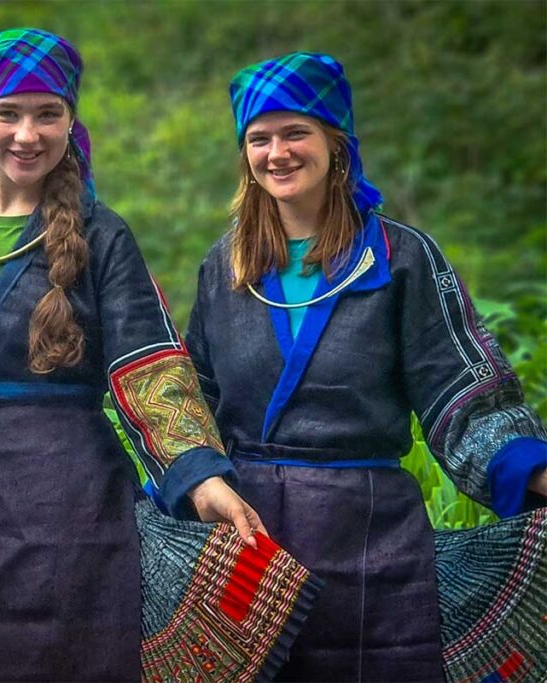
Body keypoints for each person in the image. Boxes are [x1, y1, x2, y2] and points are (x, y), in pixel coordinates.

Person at [0, 28, 268, 682]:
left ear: (71, 121)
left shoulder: (103, 233)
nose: (28, 132)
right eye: (8, 113)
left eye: (48, 113)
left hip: (72, 499)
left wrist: (199, 473)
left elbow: (149, 364)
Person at [185, 51, 547, 682]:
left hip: (370, 539)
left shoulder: (399, 257)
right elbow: (196, 402)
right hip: (250, 551)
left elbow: (461, 389)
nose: (278, 153)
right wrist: (187, 477)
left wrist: (530, 468)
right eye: (258, 138)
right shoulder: (225, 268)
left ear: (336, 141)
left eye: (296, 132)